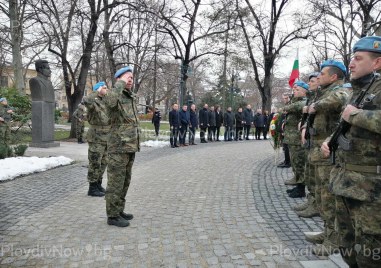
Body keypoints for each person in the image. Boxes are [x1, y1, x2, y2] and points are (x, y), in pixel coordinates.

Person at [321, 36, 381, 267]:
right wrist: (331, 140)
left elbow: (352, 116)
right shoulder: (361, 89)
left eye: (358, 58)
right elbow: (345, 126)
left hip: (370, 190)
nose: (351, 64)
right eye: (351, 58)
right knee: (348, 249)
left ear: (376, 63)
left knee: (370, 256)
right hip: (346, 183)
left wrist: (355, 115)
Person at [301, 59, 350, 256]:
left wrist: (315, 106)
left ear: (334, 76)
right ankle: (328, 233)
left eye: (322, 74)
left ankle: (334, 240)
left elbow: (341, 97)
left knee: (329, 199)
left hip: (329, 154)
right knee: (323, 197)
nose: (318, 77)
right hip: (319, 151)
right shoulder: (325, 90)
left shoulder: (339, 90)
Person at [104, 66, 140, 227]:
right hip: (117, 147)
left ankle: (119, 210)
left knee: (125, 181)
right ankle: (112, 216)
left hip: (129, 146)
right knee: (115, 183)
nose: (130, 80)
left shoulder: (129, 96)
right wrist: (120, 83)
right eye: (127, 77)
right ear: (118, 79)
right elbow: (110, 103)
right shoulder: (114, 94)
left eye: (132, 78)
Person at [293, 72, 320, 218]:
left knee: (317, 179)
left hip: (320, 144)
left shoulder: (323, 97)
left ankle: (315, 204)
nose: (310, 84)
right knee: (310, 175)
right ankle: (312, 202)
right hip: (311, 141)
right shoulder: (313, 97)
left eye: (313, 81)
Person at [83, 81, 110, 197]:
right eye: (104, 88)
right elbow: (87, 100)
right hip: (96, 137)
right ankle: (92, 187)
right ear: (99, 89)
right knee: (95, 162)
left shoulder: (106, 102)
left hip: (107, 137)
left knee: (103, 162)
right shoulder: (93, 102)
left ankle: (98, 183)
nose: (107, 89)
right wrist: (96, 91)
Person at [283, 81, 309, 198]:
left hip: (298, 139)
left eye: (297, 89)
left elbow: (288, 108)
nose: (294, 91)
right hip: (292, 138)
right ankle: (298, 186)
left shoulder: (303, 102)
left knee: (299, 164)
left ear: (305, 91)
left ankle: (301, 189)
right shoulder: (297, 101)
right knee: (295, 163)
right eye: (294, 89)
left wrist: (288, 105)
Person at [277, 94, 291, 169]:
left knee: (286, 146)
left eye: (286, 98)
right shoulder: (285, 106)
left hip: (287, 129)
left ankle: (288, 162)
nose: (285, 99)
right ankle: (286, 160)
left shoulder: (290, 106)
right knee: (284, 146)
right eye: (284, 98)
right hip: (283, 129)